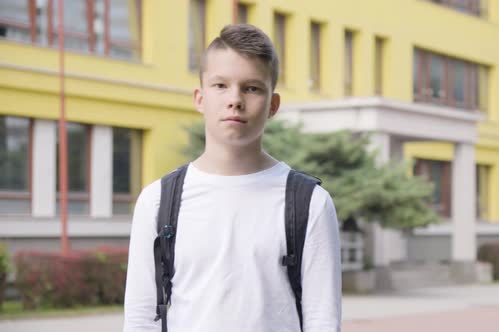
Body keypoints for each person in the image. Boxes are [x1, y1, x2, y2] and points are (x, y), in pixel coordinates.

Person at [123, 24, 342, 332]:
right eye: (221, 85)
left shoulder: (309, 203)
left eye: (251, 87)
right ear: (200, 98)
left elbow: (323, 320)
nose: (235, 99)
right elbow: (140, 318)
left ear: (273, 105)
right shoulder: (158, 201)